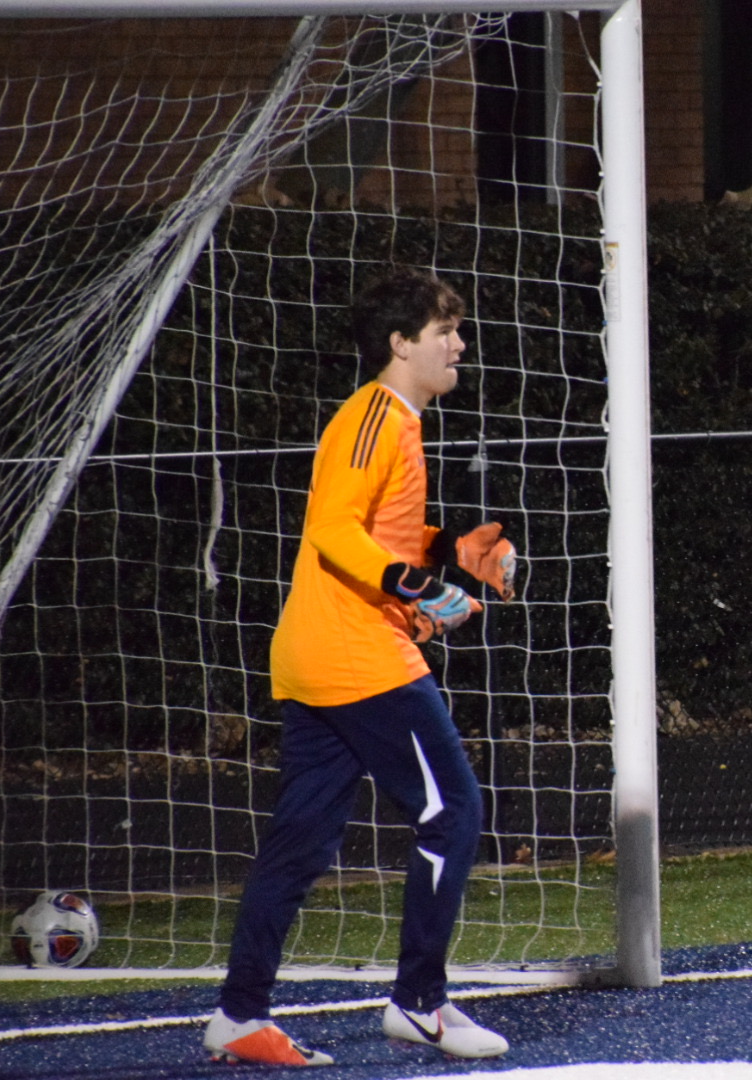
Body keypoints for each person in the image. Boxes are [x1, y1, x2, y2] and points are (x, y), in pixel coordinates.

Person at [203, 268, 517, 1066]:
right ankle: (418, 1003)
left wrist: (451, 550)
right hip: (359, 655)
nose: (460, 343)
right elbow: (334, 531)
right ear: (400, 343)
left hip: (316, 654)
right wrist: (416, 583)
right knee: (453, 810)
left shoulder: (391, 420)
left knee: (300, 844)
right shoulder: (377, 416)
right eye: (445, 330)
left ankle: (239, 1016)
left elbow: (382, 527)